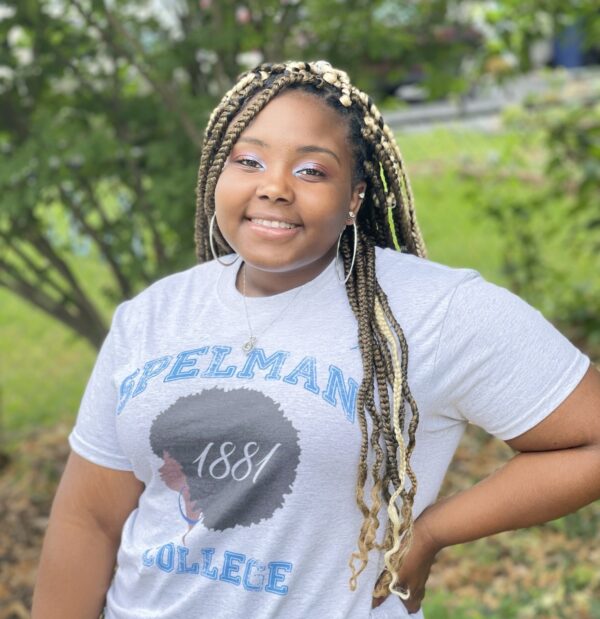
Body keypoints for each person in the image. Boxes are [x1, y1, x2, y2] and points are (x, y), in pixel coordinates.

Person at [32, 60, 600, 619]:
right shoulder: (154, 314)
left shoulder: (434, 311)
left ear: (354, 197)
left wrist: (431, 532)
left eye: (311, 171)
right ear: (215, 175)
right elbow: (90, 519)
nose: (274, 187)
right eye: (248, 161)